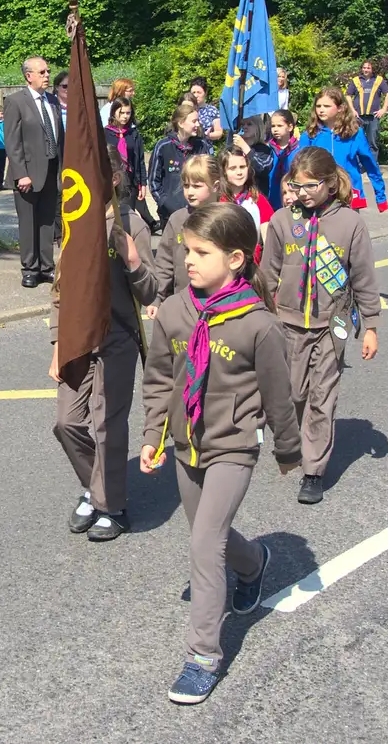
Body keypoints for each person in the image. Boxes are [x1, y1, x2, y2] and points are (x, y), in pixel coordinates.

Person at [140, 202, 301, 704]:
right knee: (209, 534)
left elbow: (279, 394)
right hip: (187, 442)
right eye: (186, 250)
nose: (188, 260)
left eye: (201, 252)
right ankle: (254, 563)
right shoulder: (173, 312)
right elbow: (161, 380)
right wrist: (153, 435)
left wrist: (289, 450)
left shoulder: (258, 325)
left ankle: (202, 655)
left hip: (234, 446)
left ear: (235, 259)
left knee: (204, 544)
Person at [260, 146, 381, 505]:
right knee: (293, 393)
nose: (302, 193)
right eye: (297, 186)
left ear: (329, 183)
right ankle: (295, 442)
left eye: (310, 186)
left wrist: (371, 325)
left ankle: (313, 471)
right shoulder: (283, 220)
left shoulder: (350, 224)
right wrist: (258, 315)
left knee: (321, 398)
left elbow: (364, 278)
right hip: (287, 322)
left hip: (333, 325)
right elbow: (267, 274)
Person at [49, 200, 158, 542]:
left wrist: (134, 262)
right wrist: (57, 345)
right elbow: (61, 291)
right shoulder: (75, 221)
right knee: (67, 423)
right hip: (77, 341)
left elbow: (151, 289)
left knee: (107, 423)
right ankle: (95, 488)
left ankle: (113, 507)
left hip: (118, 338)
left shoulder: (131, 225)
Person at [4, 57, 65, 288]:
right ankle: (30, 268)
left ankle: (46, 267)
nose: (47, 75)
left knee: (48, 222)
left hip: (51, 170)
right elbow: (12, 141)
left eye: (48, 71)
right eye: (42, 72)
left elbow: (59, 138)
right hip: (27, 174)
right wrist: (21, 174)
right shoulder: (15, 102)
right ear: (29, 75)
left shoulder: (52, 100)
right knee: (29, 223)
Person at [150, 154, 222, 302]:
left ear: (215, 186)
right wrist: (157, 297)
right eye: (186, 185)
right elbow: (164, 263)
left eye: (197, 186)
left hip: (219, 303)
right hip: (183, 302)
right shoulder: (177, 220)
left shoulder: (227, 219)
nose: (190, 192)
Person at [304, 87, 388, 212]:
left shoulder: (355, 133)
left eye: (327, 106)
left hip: (348, 194)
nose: (321, 110)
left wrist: (380, 197)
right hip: (319, 196)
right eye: (318, 106)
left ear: (340, 108)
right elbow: (300, 166)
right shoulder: (310, 134)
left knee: (348, 229)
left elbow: (370, 165)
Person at [148, 101, 205, 230]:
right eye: (194, 121)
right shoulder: (163, 146)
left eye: (198, 121)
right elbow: (153, 181)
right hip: (169, 214)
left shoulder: (201, 146)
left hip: (196, 214)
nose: (198, 124)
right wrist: (165, 203)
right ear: (180, 123)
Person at [104, 97, 151, 227]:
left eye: (128, 113)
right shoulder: (105, 133)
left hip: (130, 182)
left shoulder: (133, 134)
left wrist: (142, 183)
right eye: (122, 112)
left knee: (126, 218)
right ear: (114, 112)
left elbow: (139, 160)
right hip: (111, 181)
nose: (125, 116)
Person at [221, 143, 274, 234]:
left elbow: (268, 236)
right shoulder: (219, 200)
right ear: (224, 172)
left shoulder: (257, 199)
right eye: (232, 168)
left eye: (242, 167)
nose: (239, 172)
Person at [346, 60, 388, 156]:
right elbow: (348, 95)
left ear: (372, 69)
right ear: (362, 69)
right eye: (364, 67)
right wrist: (352, 110)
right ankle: (357, 166)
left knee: (372, 142)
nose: (366, 69)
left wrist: (384, 109)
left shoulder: (379, 80)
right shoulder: (356, 80)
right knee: (356, 141)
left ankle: (372, 167)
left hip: (373, 116)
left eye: (368, 68)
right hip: (358, 116)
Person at [264, 109, 300, 211]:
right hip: (271, 199)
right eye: (273, 126)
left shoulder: (299, 149)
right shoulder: (267, 149)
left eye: (279, 126)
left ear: (290, 127)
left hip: (293, 200)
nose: (275, 129)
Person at [185, 78, 224, 148]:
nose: (196, 95)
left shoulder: (212, 110)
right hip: (187, 148)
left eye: (199, 92)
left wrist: (209, 136)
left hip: (205, 149)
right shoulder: (186, 109)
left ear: (205, 93)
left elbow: (219, 132)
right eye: (193, 92)